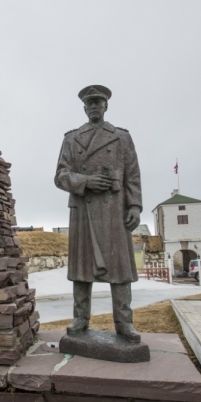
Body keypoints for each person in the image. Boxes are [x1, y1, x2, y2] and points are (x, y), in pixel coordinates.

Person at [54, 85, 142, 343]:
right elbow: (60, 175)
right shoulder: (71, 139)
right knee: (82, 267)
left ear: (106, 106)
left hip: (115, 209)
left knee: (120, 268)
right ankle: (81, 317)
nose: (94, 107)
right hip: (83, 209)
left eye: (98, 102)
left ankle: (124, 322)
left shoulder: (122, 137)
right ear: (84, 108)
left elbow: (133, 175)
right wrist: (85, 181)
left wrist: (134, 205)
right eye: (90, 103)